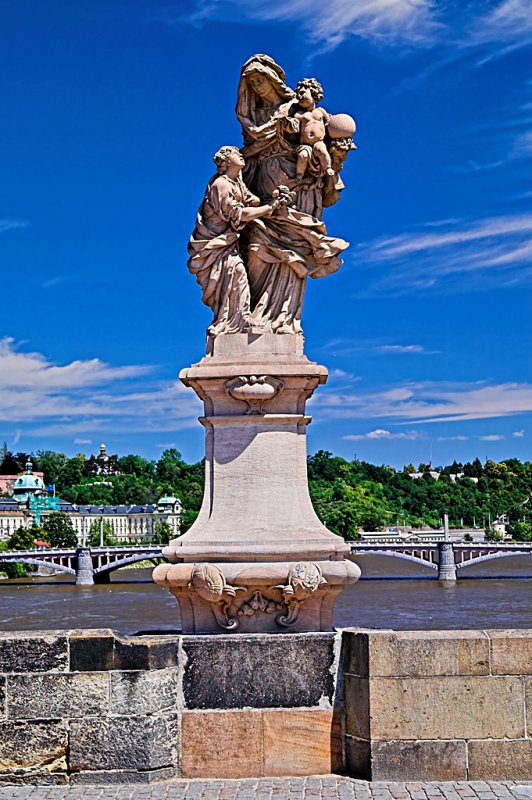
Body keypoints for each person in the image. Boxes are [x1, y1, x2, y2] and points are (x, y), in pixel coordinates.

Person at [236, 56, 349, 334]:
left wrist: (331, 155)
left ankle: (282, 319)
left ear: (273, 80)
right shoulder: (254, 119)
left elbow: (323, 139)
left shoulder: (295, 108)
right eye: (252, 84)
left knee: (294, 246)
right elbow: (248, 154)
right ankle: (251, 316)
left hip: (300, 185)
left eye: (260, 80)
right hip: (263, 183)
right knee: (256, 249)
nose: (258, 87)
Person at [187, 146, 281, 336]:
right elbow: (237, 214)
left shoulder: (236, 182)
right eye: (235, 153)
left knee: (236, 276)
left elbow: (251, 200)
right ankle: (227, 320)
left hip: (228, 243)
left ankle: (239, 317)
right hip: (215, 245)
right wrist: (269, 208)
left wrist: (276, 196)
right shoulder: (220, 185)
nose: (240, 154)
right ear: (227, 161)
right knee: (235, 273)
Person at [292, 78, 335, 179]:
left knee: (322, 150)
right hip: (305, 145)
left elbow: (330, 122)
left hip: (318, 142)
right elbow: (293, 126)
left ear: (313, 93)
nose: (299, 97)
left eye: (302, 93)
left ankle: (327, 167)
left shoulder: (320, 111)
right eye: (298, 95)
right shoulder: (299, 114)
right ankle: (299, 174)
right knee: (302, 156)